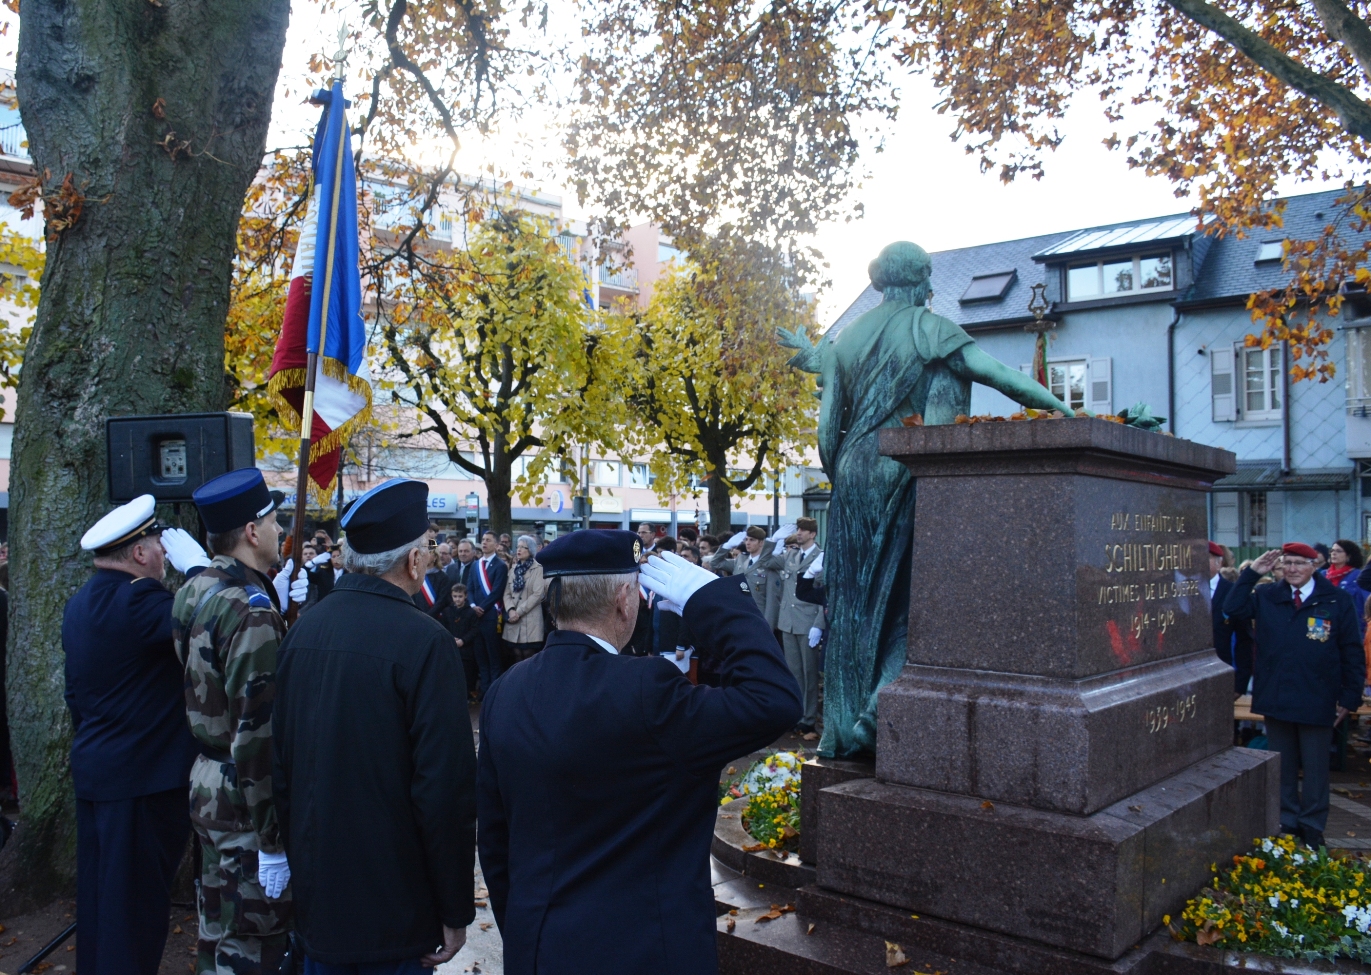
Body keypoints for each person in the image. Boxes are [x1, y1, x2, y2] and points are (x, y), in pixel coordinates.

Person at [477, 533, 801, 975]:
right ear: (624, 600)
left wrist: (527, 931)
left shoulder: (505, 691)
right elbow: (774, 699)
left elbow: (495, 843)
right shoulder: (648, 689)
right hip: (644, 951)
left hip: (537, 946)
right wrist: (712, 600)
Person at [273, 479, 476, 971]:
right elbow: (443, 790)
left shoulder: (304, 629)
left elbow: (281, 762)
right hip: (394, 914)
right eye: (429, 547)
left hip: (319, 903)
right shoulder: (425, 642)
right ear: (411, 562)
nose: (431, 556)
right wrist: (453, 907)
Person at [63, 496, 211, 974]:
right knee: (134, 914)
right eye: (159, 547)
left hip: (100, 771)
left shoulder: (81, 601)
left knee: (103, 910)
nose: (165, 556)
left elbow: (75, 696)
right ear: (140, 554)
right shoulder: (141, 598)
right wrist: (204, 574)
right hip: (142, 782)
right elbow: (211, 625)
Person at [173, 469, 295, 974]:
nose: (279, 530)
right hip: (245, 797)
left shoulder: (198, 585)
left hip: (209, 781)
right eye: (272, 520)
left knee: (217, 928)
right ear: (250, 531)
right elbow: (256, 733)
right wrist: (272, 840)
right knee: (252, 943)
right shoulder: (251, 610)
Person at [1224, 542, 1365, 851]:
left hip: (1318, 696)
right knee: (1283, 766)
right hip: (1277, 694)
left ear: (1314, 565)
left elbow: (1351, 651)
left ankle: (1313, 825)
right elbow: (1232, 608)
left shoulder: (1335, 599)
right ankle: (1287, 820)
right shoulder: (1267, 596)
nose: (1292, 569)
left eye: (1300, 563)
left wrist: (1350, 696)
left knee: (1315, 768)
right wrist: (1250, 574)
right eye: (1287, 563)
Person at [764, 517, 826, 734]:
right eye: (798, 529)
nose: (799, 533)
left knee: (810, 674)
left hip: (808, 623)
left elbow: (823, 594)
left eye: (803, 530)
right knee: (794, 672)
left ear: (813, 534)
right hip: (788, 622)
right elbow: (765, 561)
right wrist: (773, 541)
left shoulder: (821, 557)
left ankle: (808, 718)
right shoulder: (791, 554)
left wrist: (819, 624)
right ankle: (796, 714)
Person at [1208, 541, 1252, 696]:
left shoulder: (1232, 592)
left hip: (1223, 672)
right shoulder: (1180, 591)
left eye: (1205, 558)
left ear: (1219, 563)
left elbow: (1244, 641)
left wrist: (1240, 684)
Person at [470, 530, 509, 696]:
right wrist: (472, 605)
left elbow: (496, 592)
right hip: (475, 617)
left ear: (496, 544)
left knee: (493, 657)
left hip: (491, 616)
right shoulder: (475, 564)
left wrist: (482, 608)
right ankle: (484, 692)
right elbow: (470, 588)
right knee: (480, 657)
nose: (484, 543)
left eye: (488, 540)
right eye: (483, 540)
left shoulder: (500, 566)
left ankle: (495, 692)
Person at [501, 535, 547, 667]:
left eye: (523, 547)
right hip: (513, 618)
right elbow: (507, 593)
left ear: (531, 550)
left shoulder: (538, 569)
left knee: (528, 655)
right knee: (516, 655)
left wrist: (518, 612)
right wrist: (510, 610)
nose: (519, 550)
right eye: (518, 547)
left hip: (530, 619)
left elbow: (538, 594)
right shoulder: (513, 569)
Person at [444, 583, 482, 694]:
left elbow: (474, 630)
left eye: (460, 596)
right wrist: (451, 639)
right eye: (455, 596)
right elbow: (444, 627)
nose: (457, 599)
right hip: (452, 647)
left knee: (467, 673)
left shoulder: (471, 612)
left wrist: (463, 640)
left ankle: (468, 694)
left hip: (467, 649)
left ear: (465, 596)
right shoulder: (447, 611)